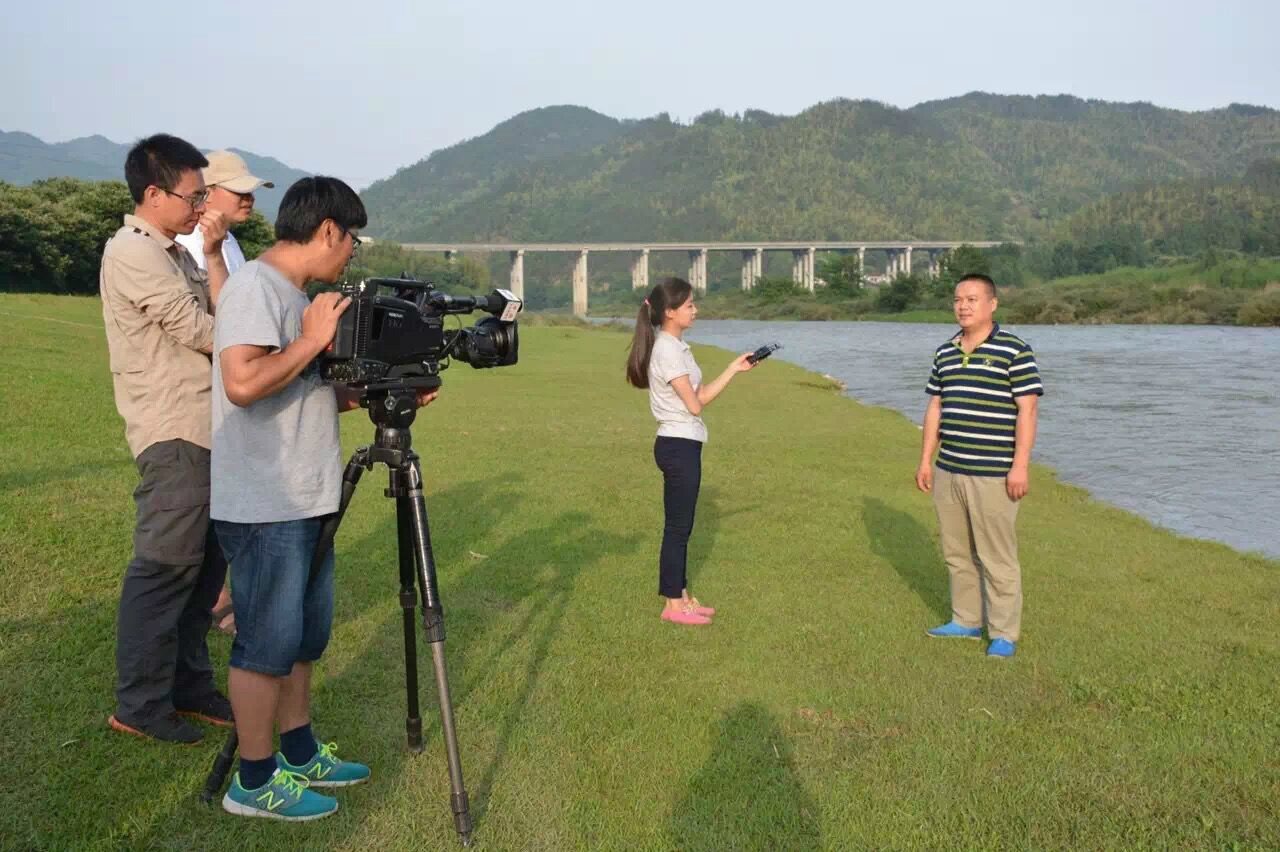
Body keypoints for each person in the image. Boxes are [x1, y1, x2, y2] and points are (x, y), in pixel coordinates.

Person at [211, 176, 438, 820]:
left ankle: (300, 750)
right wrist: (311, 341)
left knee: (304, 636)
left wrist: (382, 391)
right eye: (352, 239)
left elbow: (303, 388)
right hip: (265, 500)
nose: (352, 253)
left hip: (307, 495)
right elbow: (243, 382)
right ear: (329, 229)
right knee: (265, 641)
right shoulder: (256, 287)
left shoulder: (295, 294)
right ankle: (252, 782)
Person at [100, 133, 233, 743]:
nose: (201, 205)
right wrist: (263, 347)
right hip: (174, 427)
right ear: (153, 194)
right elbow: (197, 326)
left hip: (205, 427)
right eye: (194, 195)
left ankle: (189, 685)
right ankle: (141, 704)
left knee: (203, 570)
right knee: (165, 568)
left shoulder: (174, 251)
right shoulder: (133, 251)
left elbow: (215, 310)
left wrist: (209, 254)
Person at [914, 273, 1043, 659]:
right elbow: (935, 405)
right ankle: (966, 620)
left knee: (996, 556)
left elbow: (1028, 409)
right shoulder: (945, 352)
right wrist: (925, 460)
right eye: (958, 299)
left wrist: (1020, 466)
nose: (963, 306)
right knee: (956, 551)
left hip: (993, 472)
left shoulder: (1014, 350)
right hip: (949, 467)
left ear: (992, 304)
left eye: (972, 299)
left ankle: (1004, 633)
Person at [175, 149, 274, 637]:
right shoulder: (193, 244)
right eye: (240, 189)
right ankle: (214, 599)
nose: (250, 198)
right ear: (208, 192)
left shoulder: (227, 242)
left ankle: (219, 595)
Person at [625, 277, 757, 626]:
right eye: (688, 306)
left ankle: (682, 597)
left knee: (683, 526)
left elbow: (699, 401)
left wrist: (733, 369)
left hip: (684, 442)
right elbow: (695, 406)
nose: (695, 310)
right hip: (677, 444)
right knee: (678, 527)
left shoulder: (677, 346)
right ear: (669, 312)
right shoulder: (668, 350)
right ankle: (672, 604)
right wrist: (715, 385)